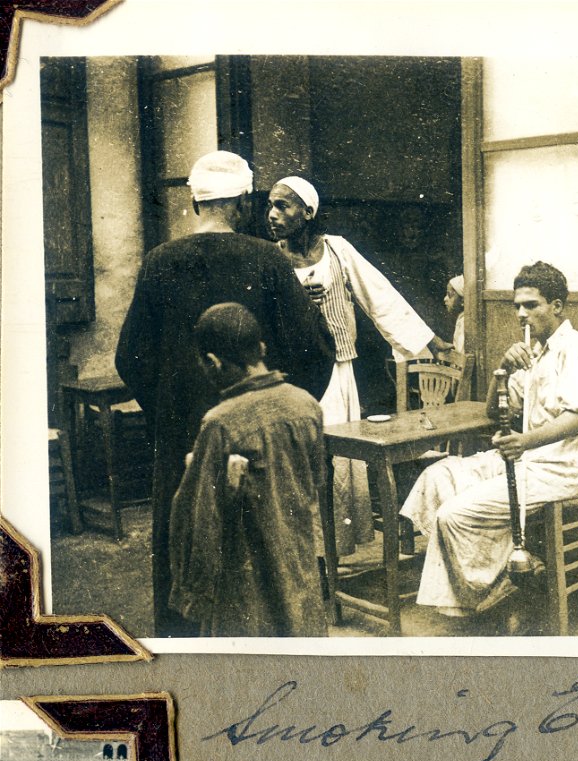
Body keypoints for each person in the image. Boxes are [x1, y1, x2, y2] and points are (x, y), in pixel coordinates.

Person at [115, 151, 335, 637]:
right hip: (261, 440)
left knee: (187, 541)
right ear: (241, 203)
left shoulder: (159, 262)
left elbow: (130, 357)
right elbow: (317, 350)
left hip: (182, 441)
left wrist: (170, 414)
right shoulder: (268, 259)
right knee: (269, 555)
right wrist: (280, 407)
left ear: (195, 202)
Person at [399, 262, 578, 617]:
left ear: (556, 306)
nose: (521, 314)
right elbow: (495, 414)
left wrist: (524, 442)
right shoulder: (533, 353)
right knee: (438, 478)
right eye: (517, 306)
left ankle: (488, 591)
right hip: (527, 460)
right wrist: (502, 368)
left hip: (565, 468)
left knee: (454, 514)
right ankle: (506, 567)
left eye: (531, 305)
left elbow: (576, 420)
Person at [266, 175, 452, 556]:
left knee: (337, 455)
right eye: (270, 205)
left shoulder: (337, 251)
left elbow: (379, 295)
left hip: (336, 371)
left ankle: (332, 550)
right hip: (292, 377)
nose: (273, 214)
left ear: (308, 211)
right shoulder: (271, 259)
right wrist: (297, 299)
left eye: (282, 206)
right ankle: (303, 552)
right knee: (300, 458)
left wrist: (431, 342)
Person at [168, 303, 329, 637]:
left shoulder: (220, 423)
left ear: (213, 363)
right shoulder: (306, 404)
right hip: (298, 563)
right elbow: (316, 482)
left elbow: (201, 518)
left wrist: (193, 594)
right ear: (261, 348)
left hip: (245, 575)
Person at [445, 274, 465, 354]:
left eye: (450, 295)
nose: (445, 299)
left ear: (463, 301)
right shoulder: (461, 319)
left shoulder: (464, 322)